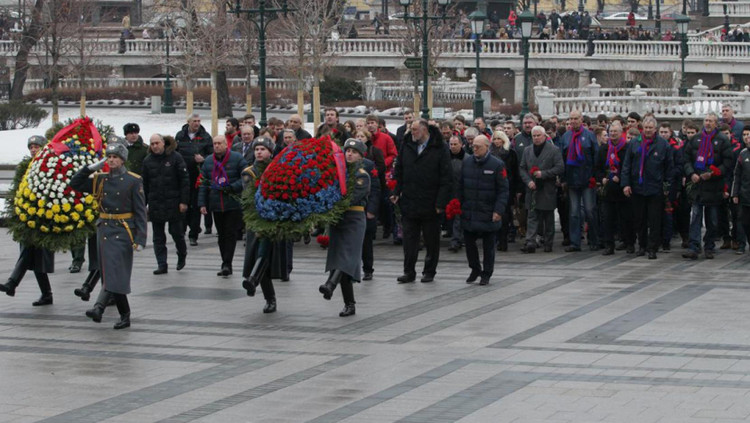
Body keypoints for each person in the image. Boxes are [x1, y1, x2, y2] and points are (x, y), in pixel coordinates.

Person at [70, 143, 147, 330]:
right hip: (104, 229)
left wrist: (140, 239)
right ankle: (124, 315)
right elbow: (75, 184)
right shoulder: (100, 179)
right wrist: (89, 169)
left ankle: (99, 307)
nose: (111, 160)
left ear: (123, 160)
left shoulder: (133, 180)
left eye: (115, 157)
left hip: (122, 230)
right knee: (109, 272)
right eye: (109, 157)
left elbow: (140, 212)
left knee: (113, 271)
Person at [392, 119, 452, 284]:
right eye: (411, 130)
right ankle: (408, 271)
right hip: (410, 200)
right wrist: (396, 191)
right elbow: (399, 170)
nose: (412, 133)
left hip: (430, 202)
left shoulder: (439, 147)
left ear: (425, 130)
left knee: (431, 240)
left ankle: (429, 271)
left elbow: (446, 177)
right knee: (409, 240)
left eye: (415, 130)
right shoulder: (407, 145)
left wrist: (441, 203)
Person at [0, 136, 55, 306]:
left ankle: (13, 283)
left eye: (36, 146)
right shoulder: (25, 166)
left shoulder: (51, 166)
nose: (33, 149)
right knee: (30, 252)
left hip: (42, 218)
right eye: (31, 146)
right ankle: (45, 294)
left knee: (31, 253)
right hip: (26, 216)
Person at [319, 138, 371, 317]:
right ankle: (349, 304)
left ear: (361, 156)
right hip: (338, 219)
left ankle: (330, 285)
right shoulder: (337, 173)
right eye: (347, 150)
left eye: (354, 152)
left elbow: (352, 198)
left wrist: (332, 202)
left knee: (347, 256)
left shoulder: (362, 175)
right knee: (340, 258)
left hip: (354, 219)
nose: (349, 154)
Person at [241, 138, 289, 313]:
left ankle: (257, 283)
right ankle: (265, 294)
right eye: (257, 149)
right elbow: (251, 196)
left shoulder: (278, 170)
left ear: (270, 151)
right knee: (260, 256)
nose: (259, 152)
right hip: (257, 220)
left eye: (263, 149)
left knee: (265, 256)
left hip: (274, 220)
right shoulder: (249, 173)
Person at [682, 112, 734, 260]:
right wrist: (691, 173)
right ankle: (694, 246)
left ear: (716, 123)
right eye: (706, 120)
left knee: (712, 219)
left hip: (714, 185)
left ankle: (709, 246)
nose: (708, 123)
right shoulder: (696, 139)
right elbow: (686, 159)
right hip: (698, 185)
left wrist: (713, 173)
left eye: (711, 121)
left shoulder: (722, 140)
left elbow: (728, 162)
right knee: (695, 217)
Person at [621, 117, 674, 259]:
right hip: (637, 186)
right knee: (639, 219)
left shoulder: (663, 145)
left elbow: (669, 167)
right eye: (646, 128)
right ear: (642, 128)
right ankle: (642, 245)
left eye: (651, 128)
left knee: (654, 219)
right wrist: (626, 184)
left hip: (655, 187)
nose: (648, 130)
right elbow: (627, 165)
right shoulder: (634, 143)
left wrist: (667, 186)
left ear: (655, 129)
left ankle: (652, 247)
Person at [459, 135, 508, 285]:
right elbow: (460, 186)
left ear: (487, 147)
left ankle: (486, 273)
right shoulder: (467, 162)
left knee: (488, 246)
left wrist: (498, 210)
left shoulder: (497, 165)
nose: (474, 149)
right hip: (470, 210)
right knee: (469, 244)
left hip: (488, 211)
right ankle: (474, 268)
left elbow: (503, 190)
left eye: (478, 147)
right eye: (473, 146)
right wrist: (458, 204)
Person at [198, 136, 248, 276]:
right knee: (221, 235)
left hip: (232, 203)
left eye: (220, 143)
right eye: (215, 144)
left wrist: (232, 187)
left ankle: (227, 263)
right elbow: (203, 183)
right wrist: (202, 203)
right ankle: (225, 262)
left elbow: (245, 177)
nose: (217, 146)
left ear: (226, 145)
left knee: (230, 234)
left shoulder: (237, 158)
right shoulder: (208, 161)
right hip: (216, 203)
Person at [142, 134, 190, 274]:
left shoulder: (175, 157)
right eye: (152, 144)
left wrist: (184, 201)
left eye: (157, 143)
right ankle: (162, 264)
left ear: (163, 143)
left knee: (176, 233)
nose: (155, 146)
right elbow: (144, 184)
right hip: (156, 203)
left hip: (174, 202)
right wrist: (143, 205)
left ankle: (182, 254)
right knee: (158, 237)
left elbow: (184, 181)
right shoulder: (147, 161)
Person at [519, 126, 565, 253]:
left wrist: (543, 174)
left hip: (547, 188)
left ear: (545, 136)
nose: (536, 138)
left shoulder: (554, 150)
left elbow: (560, 167)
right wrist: (528, 181)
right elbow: (522, 168)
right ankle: (530, 242)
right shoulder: (527, 150)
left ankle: (548, 242)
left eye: (539, 135)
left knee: (548, 218)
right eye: (534, 136)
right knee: (532, 216)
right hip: (532, 189)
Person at [560, 110, 599, 252]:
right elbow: (562, 159)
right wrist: (563, 179)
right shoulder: (566, 137)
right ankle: (575, 242)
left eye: (576, 118)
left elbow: (596, 157)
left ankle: (594, 240)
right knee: (574, 213)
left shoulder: (589, 136)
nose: (573, 121)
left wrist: (595, 177)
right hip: (571, 180)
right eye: (571, 119)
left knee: (590, 211)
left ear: (581, 119)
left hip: (587, 179)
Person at [594, 121, 634, 255]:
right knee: (607, 218)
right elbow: (598, 168)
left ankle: (629, 243)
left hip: (622, 189)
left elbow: (630, 167)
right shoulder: (604, 149)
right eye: (610, 131)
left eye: (615, 131)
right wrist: (602, 179)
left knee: (626, 218)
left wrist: (621, 178)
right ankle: (609, 245)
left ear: (621, 132)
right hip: (608, 190)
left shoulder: (627, 148)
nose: (612, 134)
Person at [175, 113, 213, 246]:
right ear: (188, 122)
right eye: (194, 121)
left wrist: (203, 159)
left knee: (196, 204)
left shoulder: (205, 136)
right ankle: (182, 230)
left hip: (198, 174)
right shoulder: (180, 135)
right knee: (183, 203)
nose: (196, 123)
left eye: (198, 121)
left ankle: (194, 234)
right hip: (183, 175)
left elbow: (211, 154)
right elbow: (175, 152)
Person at [490, 131, 519, 251]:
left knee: (505, 214)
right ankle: (496, 239)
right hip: (492, 187)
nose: (497, 141)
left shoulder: (510, 153)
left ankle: (503, 239)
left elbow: (515, 171)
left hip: (507, 186)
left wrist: (517, 189)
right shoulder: (489, 153)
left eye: (499, 139)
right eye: (495, 139)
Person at [731, 127, 750, 255]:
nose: (747, 138)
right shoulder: (743, 154)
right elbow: (737, 175)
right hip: (745, 195)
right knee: (745, 222)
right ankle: (744, 243)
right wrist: (735, 193)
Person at [448, 135, 466, 252]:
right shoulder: (445, 158)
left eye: (455, 144)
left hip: (461, 191)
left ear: (461, 144)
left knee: (458, 218)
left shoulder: (467, 159)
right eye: (451, 144)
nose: (453, 147)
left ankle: (456, 240)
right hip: (448, 191)